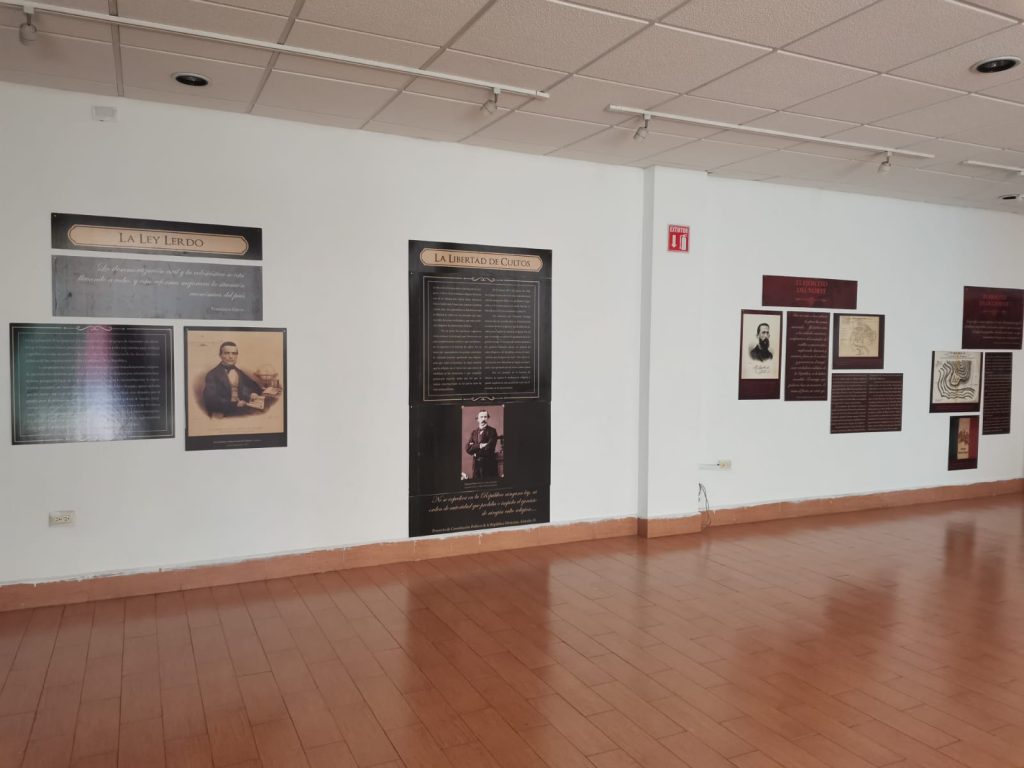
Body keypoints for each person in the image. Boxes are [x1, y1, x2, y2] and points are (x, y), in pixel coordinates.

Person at [203, 341, 280, 417]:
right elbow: (210, 400)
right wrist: (235, 404)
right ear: (220, 355)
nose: (231, 357)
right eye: (227, 353)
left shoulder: (239, 372)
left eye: (234, 353)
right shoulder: (212, 375)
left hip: (240, 409)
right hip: (223, 412)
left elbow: (252, 385)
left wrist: (253, 393)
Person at [465, 410, 499, 480]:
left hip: (488, 465)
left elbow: (489, 448)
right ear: (477, 419)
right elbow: (468, 448)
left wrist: (475, 451)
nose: (483, 419)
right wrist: (480, 445)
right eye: (481, 417)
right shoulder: (474, 432)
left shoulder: (492, 431)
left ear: (487, 418)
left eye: (485, 417)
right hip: (476, 466)